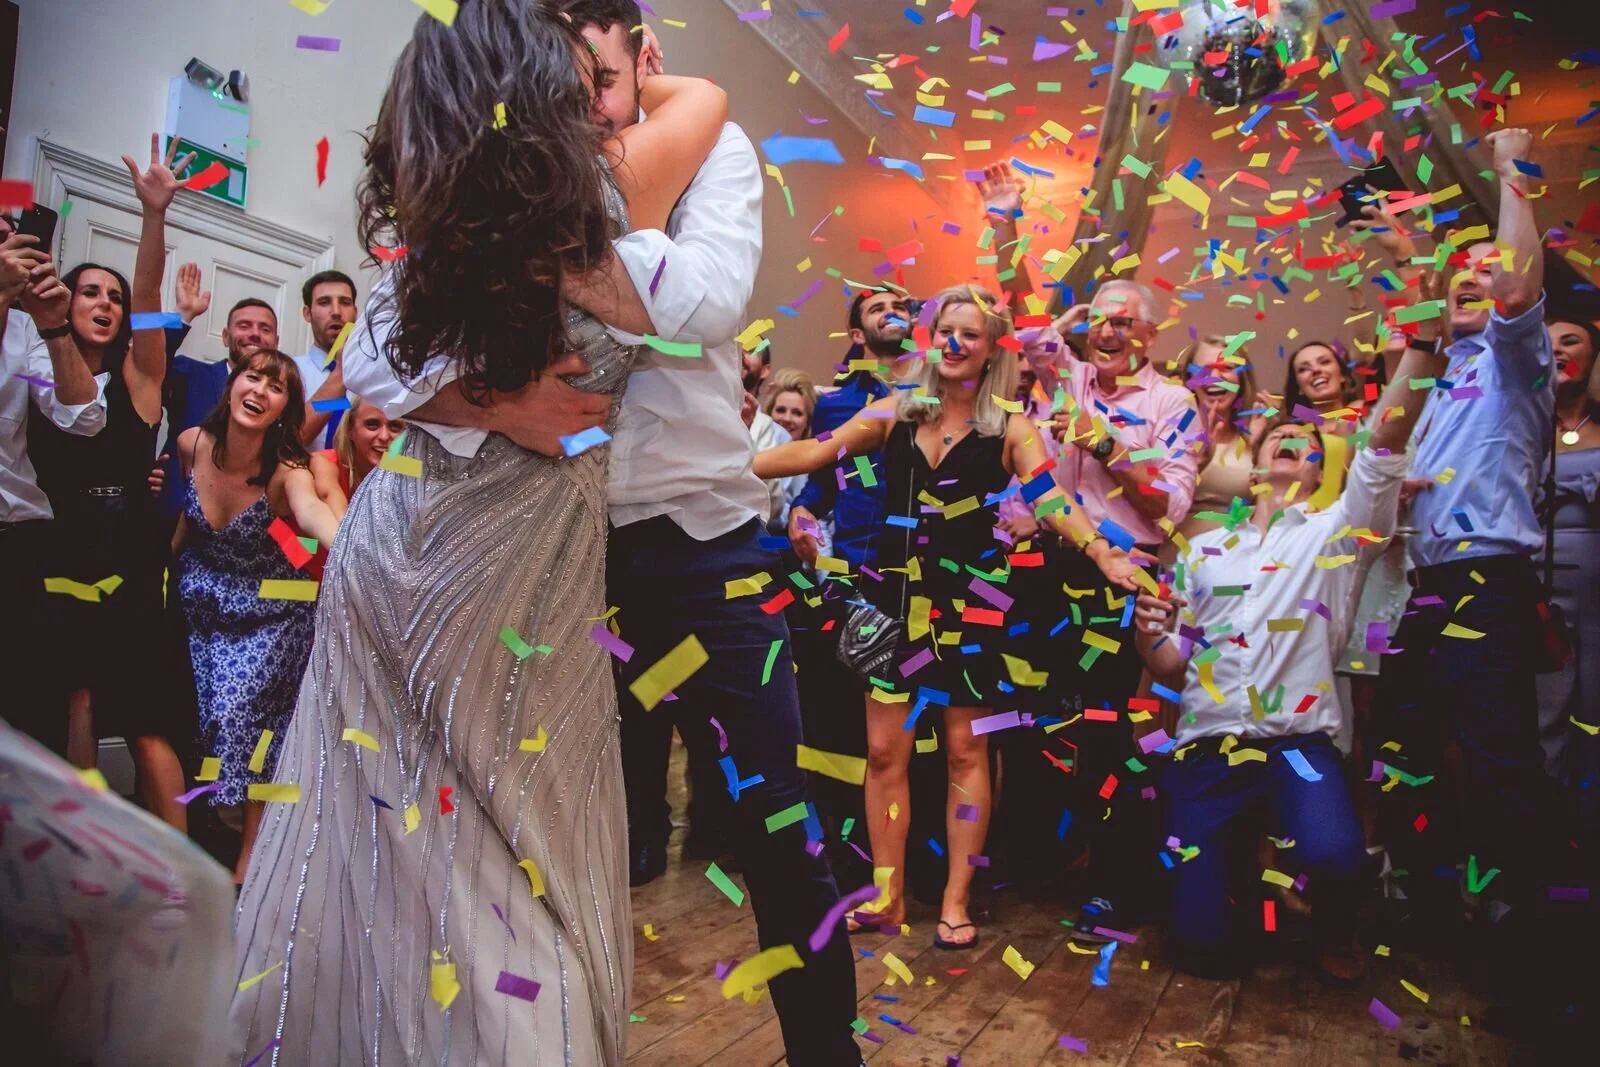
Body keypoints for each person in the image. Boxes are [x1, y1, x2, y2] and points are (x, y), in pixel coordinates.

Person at [235, 5, 863, 1064]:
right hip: (565, 556)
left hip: (702, 540)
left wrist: (530, 246)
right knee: (556, 832)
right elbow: (378, 358)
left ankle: (825, 1053)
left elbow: (704, 301)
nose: (589, 112)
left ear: (645, 59)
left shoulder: (708, 146)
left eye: (604, 84)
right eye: (564, 92)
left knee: (780, 830)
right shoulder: (522, 174)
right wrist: (493, 397)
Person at [757, 286, 1146, 950]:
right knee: (885, 752)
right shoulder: (897, 411)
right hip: (893, 604)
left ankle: (956, 901)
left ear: (990, 347)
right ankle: (885, 896)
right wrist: (724, 464)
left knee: (967, 750)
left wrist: (1102, 552)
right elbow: (816, 453)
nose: (956, 342)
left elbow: (1051, 501)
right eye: (947, 330)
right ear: (932, 339)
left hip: (973, 608)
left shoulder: (1009, 425)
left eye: (970, 333)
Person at [1133, 274, 1444, 982]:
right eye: (1279, 438)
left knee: (1335, 855)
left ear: (1314, 468)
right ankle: (1234, 889)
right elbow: (1174, 666)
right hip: (1209, 747)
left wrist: (1421, 344)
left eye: (1305, 443)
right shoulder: (1203, 552)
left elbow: (1387, 439)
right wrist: (1148, 635)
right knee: (1202, 951)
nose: (1292, 446)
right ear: (1252, 466)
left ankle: (1334, 922)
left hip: (1297, 747)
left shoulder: (1338, 534)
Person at [1368, 128, 1556, 936]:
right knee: (1401, 741)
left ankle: (1527, 916)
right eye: (1461, 274)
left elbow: (1515, 290)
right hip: (1428, 582)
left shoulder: (1518, 361)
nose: (1475, 279)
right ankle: (1430, 894)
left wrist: (1515, 172)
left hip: (1490, 578)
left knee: (1499, 753)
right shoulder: (1440, 379)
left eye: (1485, 268)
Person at [1025, 279, 1201, 940]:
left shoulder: (1172, 401)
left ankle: (1115, 885)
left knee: (1110, 731)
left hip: (1125, 575)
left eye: (1123, 322)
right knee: (1044, 720)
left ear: (1149, 335)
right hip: (1054, 565)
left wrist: (1104, 444)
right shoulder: (1069, 378)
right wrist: (1008, 222)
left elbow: (1166, 505)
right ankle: (1050, 858)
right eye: (1097, 321)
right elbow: (1027, 334)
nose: (1107, 332)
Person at [27, 136, 188, 829]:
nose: (105, 303)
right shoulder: (34, 376)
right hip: (56, 557)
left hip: (129, 565)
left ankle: (184, 882)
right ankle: (82, 859)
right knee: (73, 707)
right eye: (88, 290)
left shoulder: (140, 376)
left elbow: (150, 291)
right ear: (64, 300)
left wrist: (152, 216)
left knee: (148, 721)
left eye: (112, 297)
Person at [174, 349, 339, 884]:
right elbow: (185, 522)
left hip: (273, 612)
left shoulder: (287, 471)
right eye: (253, 376)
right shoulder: (191, 444)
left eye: (276, 387)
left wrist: (359, 556)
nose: (260, 390)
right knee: (200, 719)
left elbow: (313, 517)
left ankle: (252, 859)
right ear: (232, 384)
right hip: (201, 605)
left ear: (284, 409)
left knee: (246, 712)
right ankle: (204, 837)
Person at [0, 218, 104, 757]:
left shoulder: (25, 334)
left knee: (31, 702)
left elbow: (83, 415)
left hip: (19, 537)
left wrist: (56, 327)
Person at [787, 287, 918, 568]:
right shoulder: (835, 405)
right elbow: (824, 478)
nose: (891, 312)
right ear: (858, 335)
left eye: (899, 307)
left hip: (926, 561)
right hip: (858, 563)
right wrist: (803, 507)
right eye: (877, 309)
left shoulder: (935, 398)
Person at [1535, 317, 1600, 826]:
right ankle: (1544, 837)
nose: (1557, 350)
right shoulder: (1524, 428)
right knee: (1543, 712)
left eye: (1570, 341)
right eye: (1547, 342)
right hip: (1537, 582)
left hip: (1596, 586)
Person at [1172, 334, 1266, 541]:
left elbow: (1272, 506)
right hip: (1179, 561)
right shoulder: (1169, 430)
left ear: (1242, 379)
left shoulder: (1259, 430)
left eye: (1227, 368)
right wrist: (1197, 463)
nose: (1214, 376)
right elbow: (1155, 502)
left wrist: (1257, 446)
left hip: (1238, 558)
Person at [293, 269, 358, 448]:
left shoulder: (375, 378)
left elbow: (394, 457)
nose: (336, 312)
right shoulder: (288, 372)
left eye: (345, 303)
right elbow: (289, 443)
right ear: (307, 313)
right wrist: (339, 376)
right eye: (324, 302)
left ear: (355, 312)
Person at [765, 365, 817, 440]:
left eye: (797, 413)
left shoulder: (815, 444)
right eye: (781, 410)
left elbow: (833, 435)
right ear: (770, 414)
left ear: (807, 422)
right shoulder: (754, 444)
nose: (787, 419)